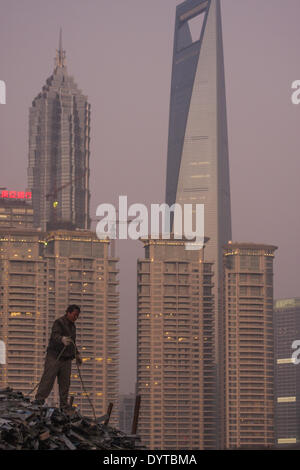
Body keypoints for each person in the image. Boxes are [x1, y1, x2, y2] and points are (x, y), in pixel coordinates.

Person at [34, 304, 82, 409]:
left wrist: (76, 354)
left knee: (65, 383)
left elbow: (72, 342)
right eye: (74, 315)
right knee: (48, 379)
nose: (75, 317)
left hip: (66, 359)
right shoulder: (59, 322)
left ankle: (64, 405)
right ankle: (39, 400)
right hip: (54, 357)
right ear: (68, 313)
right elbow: (54, 336)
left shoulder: (73, 327)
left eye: (77, 316)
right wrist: (61, 339)